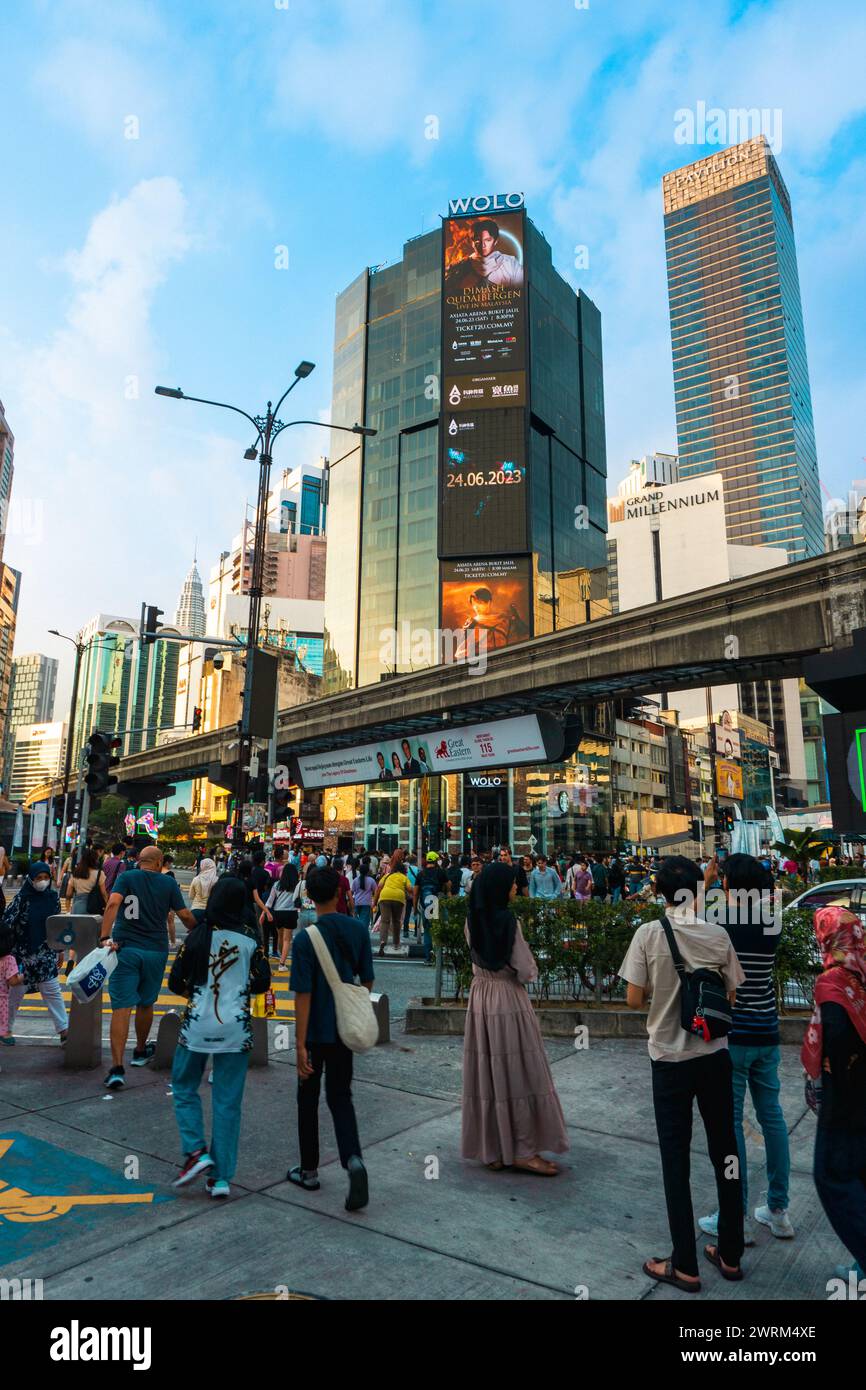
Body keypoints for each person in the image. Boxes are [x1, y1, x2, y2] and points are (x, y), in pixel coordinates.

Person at [618, 855, 745, 1292]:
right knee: (725, 1152)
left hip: (669, 1061)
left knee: (676, 1161)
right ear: (698, 892)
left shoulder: (648, 934)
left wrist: (663, 984)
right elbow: (731, 991)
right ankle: (730, 1252)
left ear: (658, 892)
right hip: (715, 1055)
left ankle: (685, 1263)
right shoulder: (718, 934)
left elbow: (634, 1001)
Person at [698, 854, 793, 1245]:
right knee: (772, 1118)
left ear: (730, 883)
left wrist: (707, 883)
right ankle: (778, 1210)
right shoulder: (773, 919)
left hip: (732, 1036)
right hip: (767, 1031)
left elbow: (693, 915)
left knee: (731, 1124)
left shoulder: (722, 920)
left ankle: (731, 1213)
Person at [461, 862, 568, 1174]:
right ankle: (522, 1149)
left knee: (488, 1074)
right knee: (518, 1072)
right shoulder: (509, 922)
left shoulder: (472, 920)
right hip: (508, 997)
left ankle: (491, 1148)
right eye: (510, 884)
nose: (514, 888)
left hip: (480, 997)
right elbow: (525, 970)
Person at [169, 876, 270, 1196]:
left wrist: (196, 993)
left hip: (197, 1025)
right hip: (235, 1029)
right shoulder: (251, 939)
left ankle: (196, 1151)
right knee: (228, 1102)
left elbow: (175, 981)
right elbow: (262, 982)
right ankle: (221, 1178)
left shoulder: (198, 935)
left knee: (184, 1086)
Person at [288, 865, 373, 1211]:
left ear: (309, 895)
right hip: (344, 1030)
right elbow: (366, 981)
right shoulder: (358, 930)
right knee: (341, 1097)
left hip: (314, 1033)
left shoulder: (304, 938)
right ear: (339, 894)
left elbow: (303, 994)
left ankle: (308, 1171)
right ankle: (353, 1160)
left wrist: (299, 1043)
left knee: (307, 1099)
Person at [802, 906, 866, 1280]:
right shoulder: (861, 971)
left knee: (832, 1178)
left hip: (846, 1099)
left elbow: (838, 1039)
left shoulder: (832, 982)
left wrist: (828, 1086)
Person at [100, 845, 196, 1088]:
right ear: (159, 862)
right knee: (146, 1002)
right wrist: (202, 929)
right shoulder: (168, 883)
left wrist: (103, 937)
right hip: (155, 950)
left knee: (122, 1007)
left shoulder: (126, 877)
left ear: (138, 860)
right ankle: (140, 1050)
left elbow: (112, 904)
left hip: (125, 948)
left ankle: (116, 1068)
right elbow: (184, 916)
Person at [3, 863, 68, 1043]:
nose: (42, 882)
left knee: (52, 990)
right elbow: (7, 923)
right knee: (16, 993)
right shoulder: (21, 898)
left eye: (45, 878)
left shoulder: (52, 897)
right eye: (38, 878)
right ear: (31, 879)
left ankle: (64, 1031)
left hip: (45, 952)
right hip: (22, 953)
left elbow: (56, 925)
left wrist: (59, 950)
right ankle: (5, 1030)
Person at [372, 849, 412, 956]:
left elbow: (378, 889)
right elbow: (410, 889)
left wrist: (374, 903)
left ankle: (382, 942)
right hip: (399, 898)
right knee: (396, 921)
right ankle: (396, 943)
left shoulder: (387, 875)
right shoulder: (403, 877)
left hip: (384, 896)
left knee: (385, 921)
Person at [264, 858, 301, 970]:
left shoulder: (276, 884)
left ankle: (282, 957)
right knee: (287, 939)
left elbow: (270, 901)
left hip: (277, 913)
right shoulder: (297, 885)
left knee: (280, 937)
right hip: (290, 913)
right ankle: (282, 963)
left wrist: (264, 913)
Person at [414, 851, 449, 965]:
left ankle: (428, 957)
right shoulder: (440, 872)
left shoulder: (421, 874)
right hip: (436, 903)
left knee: (428, 931)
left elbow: (415, 893)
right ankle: (437, 957)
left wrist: (415, 908)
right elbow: (449, 886)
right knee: (437, 931)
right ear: (435, 860)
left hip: (425, 905)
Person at [0, 921, 24, 1044]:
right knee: (3, 1021)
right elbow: (13, 981)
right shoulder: (9, 960)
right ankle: (6, 1035)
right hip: (2, 999)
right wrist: (23, 977)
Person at [66, 847, 107, 916]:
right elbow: (103, 893)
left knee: (77, 926)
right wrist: (107, 905)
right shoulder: (99, 873)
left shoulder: (76, 873)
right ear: (95, 860)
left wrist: (68, 910)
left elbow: (68, 894)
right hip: (94, 907)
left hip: (77, 907)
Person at [351, 858, 376, 931]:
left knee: (357, 920)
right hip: (366, 903)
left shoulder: (355, 880)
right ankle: (363, 934)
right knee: (364, 921)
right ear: (368, 871)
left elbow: (352, 891)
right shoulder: (371, 880)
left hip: (357, 902)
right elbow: (376, 890)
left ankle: (357, 933)